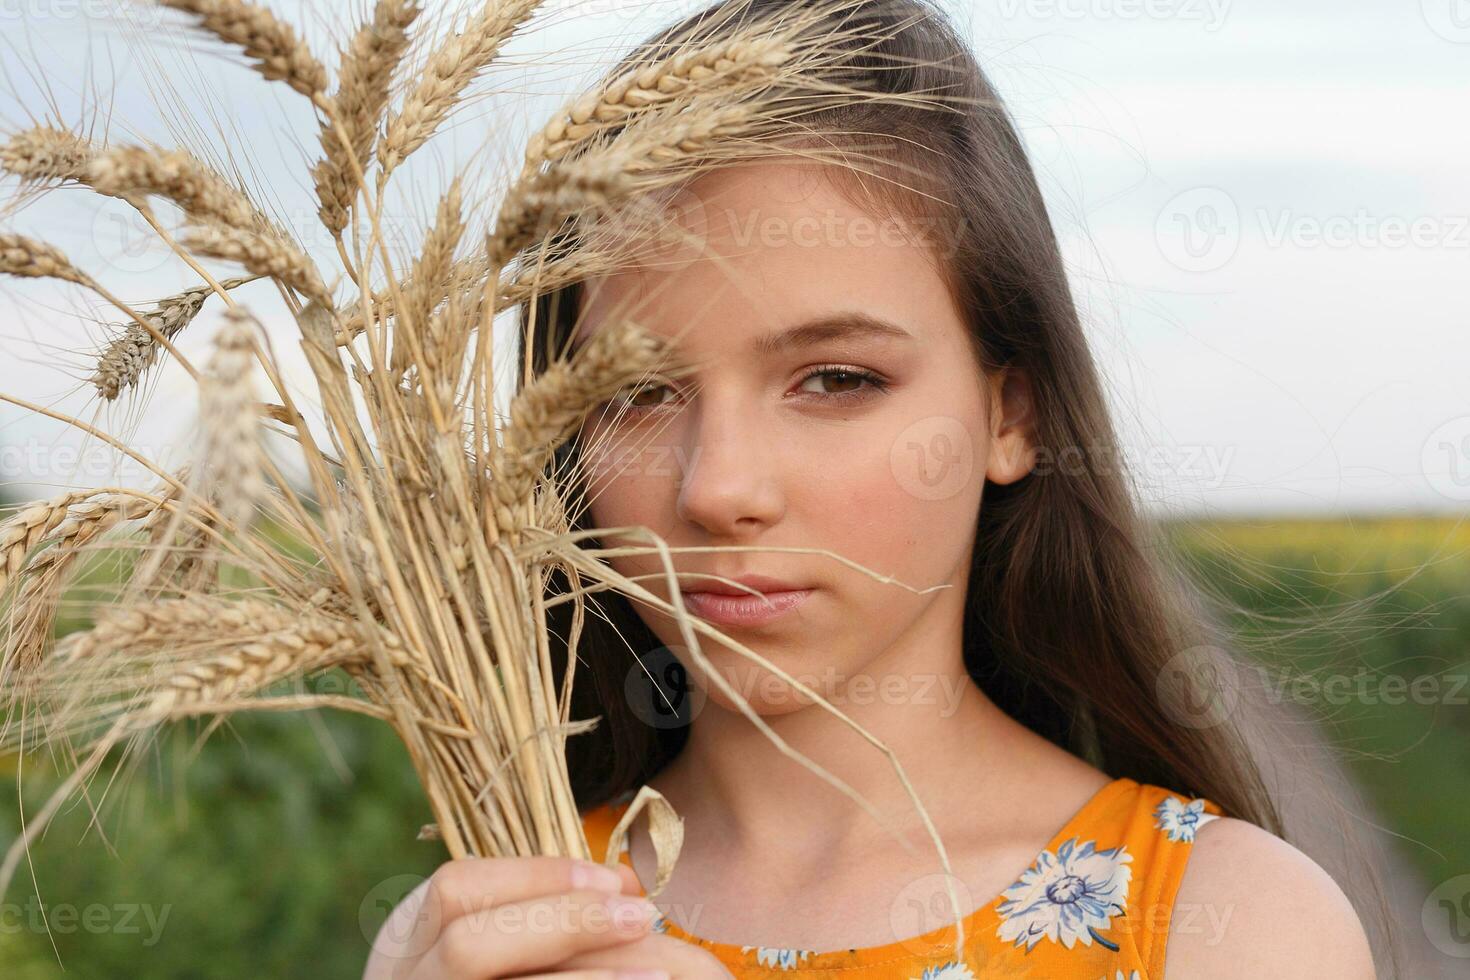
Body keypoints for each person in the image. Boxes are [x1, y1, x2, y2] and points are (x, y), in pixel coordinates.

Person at [365, 1, 1384, 977]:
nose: (719, 487)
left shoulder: (1227, 925)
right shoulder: (492, 919)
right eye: (635, 391)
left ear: (1010, 415)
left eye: (838, 379)